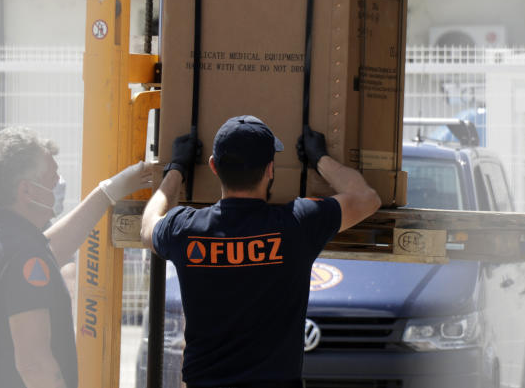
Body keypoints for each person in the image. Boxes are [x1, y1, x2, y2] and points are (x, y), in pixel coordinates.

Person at [140, 116, 381, 388]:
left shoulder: (185, 229)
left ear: (213, 167)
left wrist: (176, 168)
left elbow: (148, 226)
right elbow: (367, 198)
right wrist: (320, 159)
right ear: (270, 169)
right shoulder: (297, 224)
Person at [0, 126, 156, 388]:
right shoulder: (21, 257)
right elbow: (34, 365)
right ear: (26, 190)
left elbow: (48, 251)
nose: (59, 182)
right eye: (52, 178)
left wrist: (107, 192)